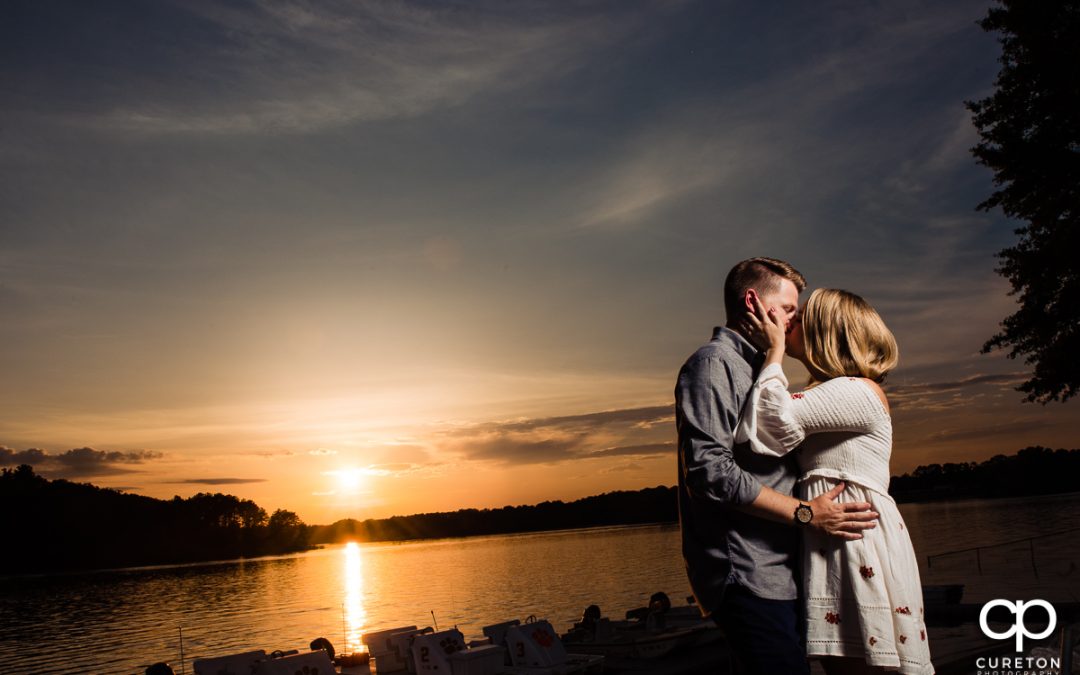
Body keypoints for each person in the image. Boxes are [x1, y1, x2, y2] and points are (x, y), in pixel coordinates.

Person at [675, 258, 879, 675]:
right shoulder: (714, 364)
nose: (793, 322)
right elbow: (709, 472)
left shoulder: (763, 366)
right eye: (788, 310)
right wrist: (806, 513)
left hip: (782, 570)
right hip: (746, 571)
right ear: (753, 302)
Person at [736, 288, 934, 674]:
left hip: (858, 546)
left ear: (826, 332)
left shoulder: (856, 391)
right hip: (837, 542)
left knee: (866, 665)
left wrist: (774, 350)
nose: (789, 322)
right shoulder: (830, 394)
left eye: (801, 316)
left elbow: (766, 423)